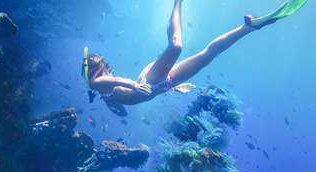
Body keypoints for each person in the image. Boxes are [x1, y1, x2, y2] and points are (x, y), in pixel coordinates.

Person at [82, 0, 308, 117]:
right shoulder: (101, 89)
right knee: (208, 55)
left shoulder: (95, 83)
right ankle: (249, 27)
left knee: (177, 46)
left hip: (148, 81)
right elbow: (121, 97)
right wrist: (171, 89)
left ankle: (177, 2)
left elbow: (117, 81)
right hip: (162, 86)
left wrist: (133, 84)